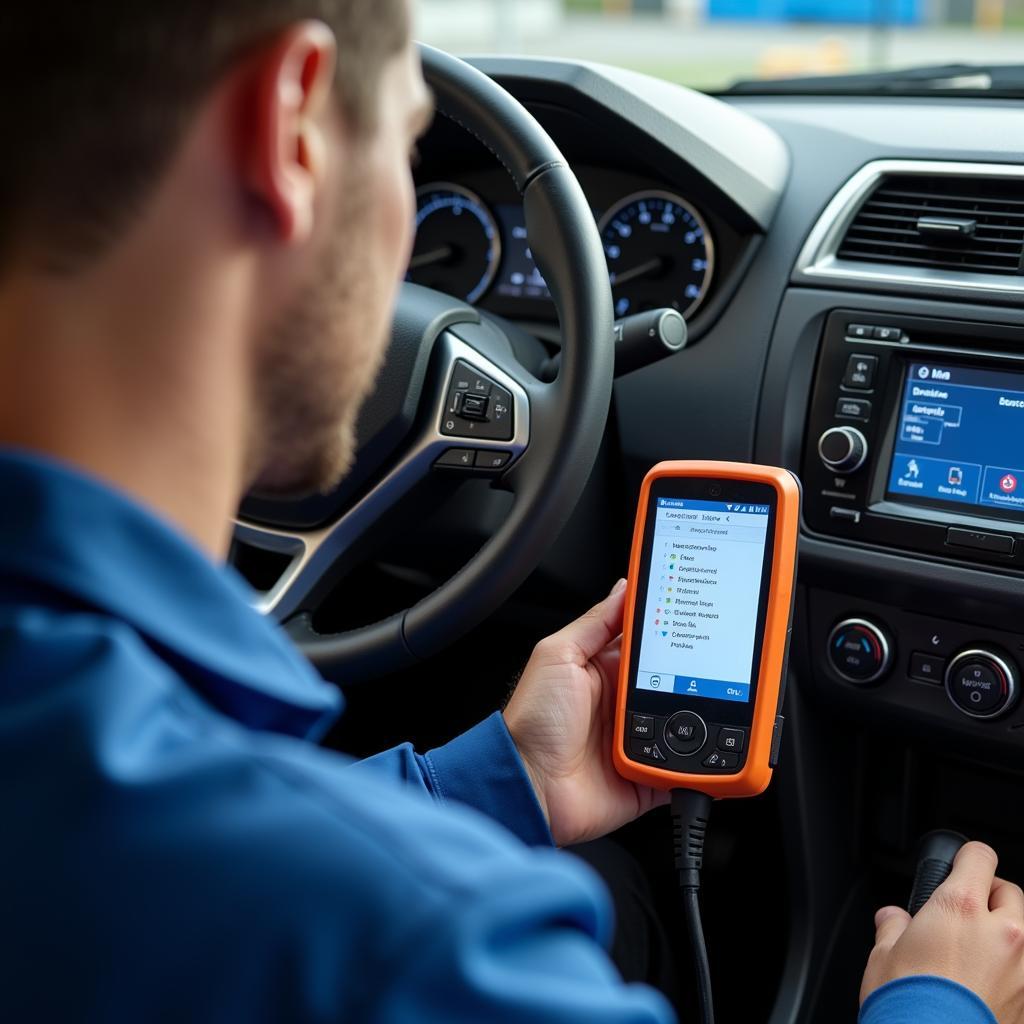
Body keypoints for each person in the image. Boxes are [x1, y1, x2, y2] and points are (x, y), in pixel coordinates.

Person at [0, 3, 1021, 1021]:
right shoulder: (417, 947)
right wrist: (939, 1000)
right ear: (293, 129)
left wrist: (500, 782)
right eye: (408, 144)